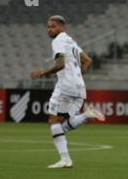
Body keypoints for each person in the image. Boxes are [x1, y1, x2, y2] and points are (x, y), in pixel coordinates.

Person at [30, 15, 105, 169]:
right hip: (79, 88)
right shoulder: (70, 41)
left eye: (53, 26)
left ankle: (65, 160)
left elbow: (60, 65)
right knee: (61, 126)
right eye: (48, 27)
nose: (50, 29)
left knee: (53, 122)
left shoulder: (58, 41)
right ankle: (86, 115)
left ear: (61, 27)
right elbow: (88, 60)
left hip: (66, 86)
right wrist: (77, 77)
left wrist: (42, 73)